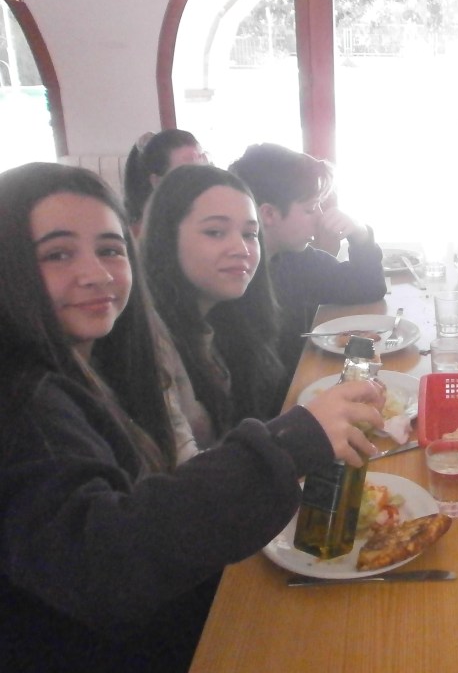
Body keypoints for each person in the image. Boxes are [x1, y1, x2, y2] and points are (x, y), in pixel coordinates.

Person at [0, 162, 382, 672]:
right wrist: (287, 444)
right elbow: (102, 567)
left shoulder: (107, 351)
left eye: (110, 250)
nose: (96, 274)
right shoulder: (27, 403)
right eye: (57, 254)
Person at [141, 164, 287, 446]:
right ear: (167, 238)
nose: (241, 249)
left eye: (250, 234)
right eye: (215, 232)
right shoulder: (151, 338)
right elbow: (182, 464)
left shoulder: (227, 314)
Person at [228, 143, 387, 379]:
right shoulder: (235, 281)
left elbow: (367, 288)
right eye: (311, 208)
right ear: (268, 214)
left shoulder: (296, 260)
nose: (321, 217)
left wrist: (360, 234)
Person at [123, 129, 207, 235]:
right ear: (157, 182)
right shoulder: (144, 235)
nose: (200, 182)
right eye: (187, 174)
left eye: (204, 171)